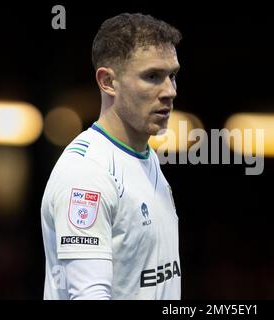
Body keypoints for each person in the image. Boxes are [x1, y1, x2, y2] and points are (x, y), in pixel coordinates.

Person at [41, 13, 182, 300]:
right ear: (108, 82)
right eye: (152, 76)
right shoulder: (87, 175)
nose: (170, 91)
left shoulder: (145, 157)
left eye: (172, 75)